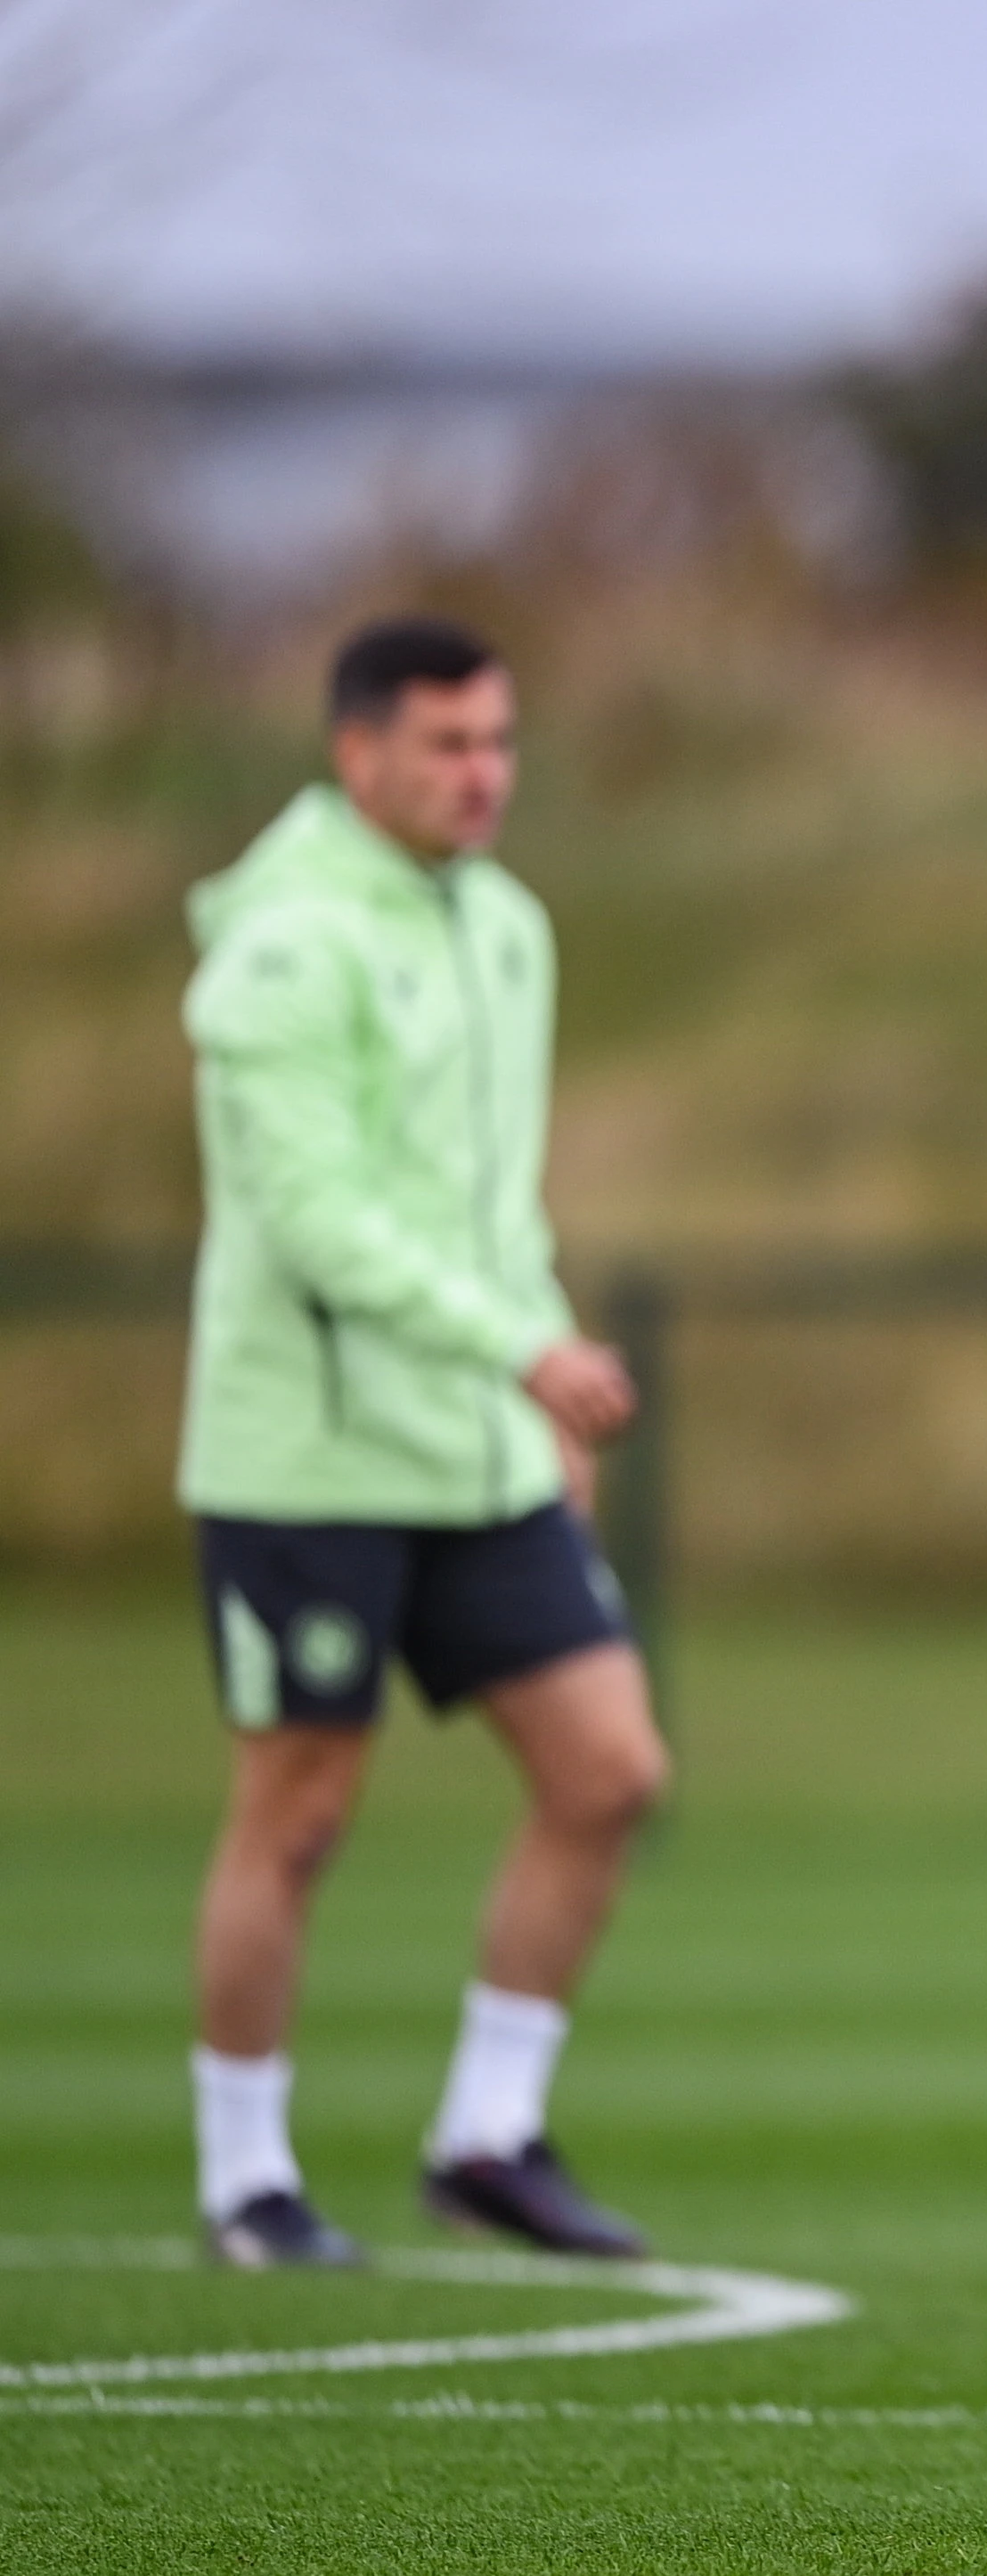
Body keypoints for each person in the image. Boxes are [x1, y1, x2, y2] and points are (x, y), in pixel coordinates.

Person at [179, 617, 669, 2268]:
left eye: (499, 741)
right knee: (299, 1813)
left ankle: (487, 2135)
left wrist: (533, 1393)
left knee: (610, 1773)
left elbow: (489, 1203)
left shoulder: (506, 924)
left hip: (475, 1450)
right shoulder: (282, 944)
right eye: (448, 744)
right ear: (357, 751)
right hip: (304, 1456)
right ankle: (248, 2174)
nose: (482, 775)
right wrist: (519, 1346)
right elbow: (315, 1218)